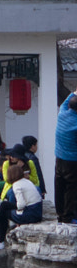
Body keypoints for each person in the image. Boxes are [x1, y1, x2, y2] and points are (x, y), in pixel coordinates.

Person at [0, 160, 44, 248]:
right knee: (5, 206)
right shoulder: (27, 181)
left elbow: (21, 205)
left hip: (30, 215)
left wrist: (14, 208)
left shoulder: (16, 185)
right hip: (37, 212)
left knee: (4, 209)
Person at [60, 89, 77, 224]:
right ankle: (68, 217)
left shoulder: (62, 114)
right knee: (71, 189)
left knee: (59, 186)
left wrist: (75, 92)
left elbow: (66, 101)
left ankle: (60, 215)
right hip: (71, 160)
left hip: (58, 157)